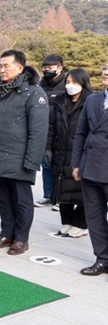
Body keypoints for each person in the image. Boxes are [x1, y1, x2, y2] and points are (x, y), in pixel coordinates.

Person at [0, 50, 49, 256]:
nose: (1, 70)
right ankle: (6, 233)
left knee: (22, 201)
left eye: (6, 66)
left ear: (20, 68)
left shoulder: (33, 92)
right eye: (0, 66)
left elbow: (38, 131)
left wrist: (31, 161)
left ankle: (21, 238)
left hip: (19, 157)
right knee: (2, 198)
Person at [71, 63, 108, 276]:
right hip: (90, 166)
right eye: (104, 68)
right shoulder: (93, 100)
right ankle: (102, 259)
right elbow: (81, 133)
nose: (105, 72)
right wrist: (76, 163)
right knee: (94, 217)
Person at [47, 68, 92, 237]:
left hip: (80, 151)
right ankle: (66, 221)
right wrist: (48, 147)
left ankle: (80, 224)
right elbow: (51, 127)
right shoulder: (59, 101)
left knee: (80, 189)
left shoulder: (90, 101)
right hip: (60, 150)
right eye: (68, 82)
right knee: (61, 187)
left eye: (75, 82)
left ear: (83, 83)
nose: (70, 85)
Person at [36, 54, 67, 208]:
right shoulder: (40, 85)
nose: (46, 69)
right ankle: (48, 195)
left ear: (60, 68)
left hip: (61, 131)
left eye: (50, 67)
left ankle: (60, 197)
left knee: (60, 166)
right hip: (44, 130)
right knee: (46, 164)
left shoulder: (66, 84)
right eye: (45, 67)